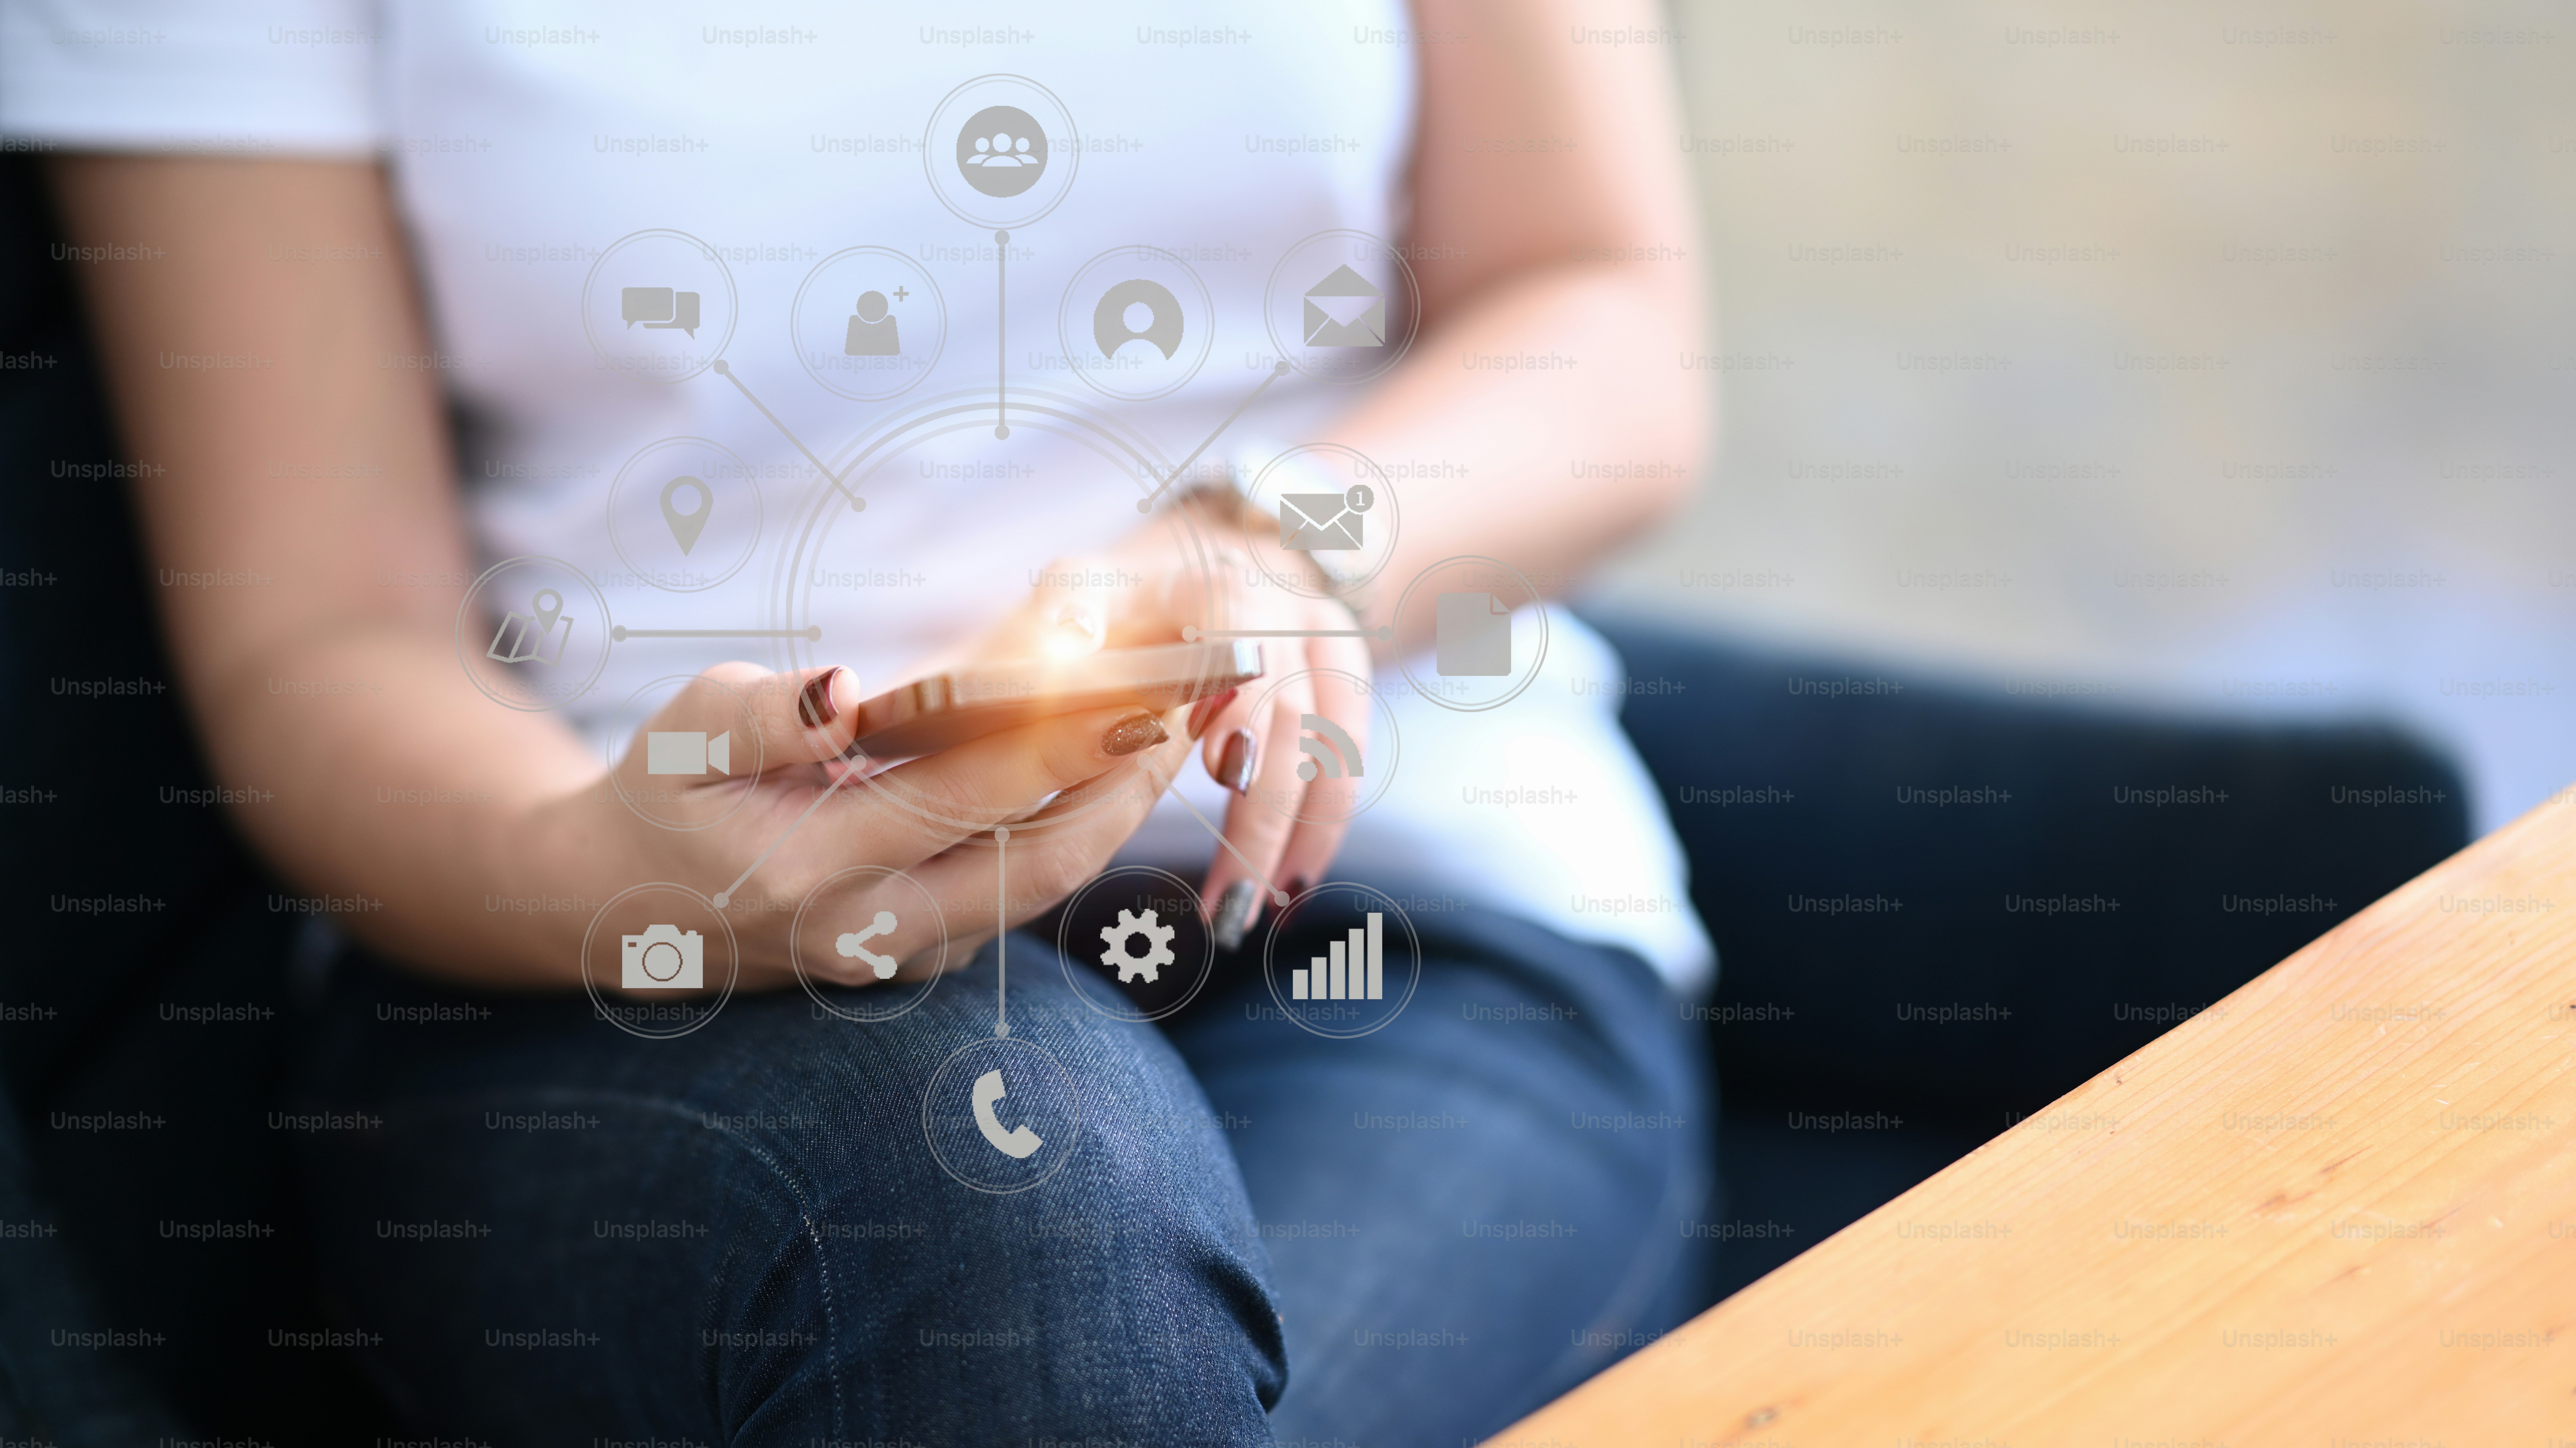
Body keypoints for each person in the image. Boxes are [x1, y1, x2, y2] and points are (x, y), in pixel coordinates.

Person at [9, 0, 1712, 1441]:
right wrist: (606, 866)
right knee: (1015, 1223)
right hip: (608, 972)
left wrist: (1279, 543)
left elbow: (1604, 315)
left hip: (1392, 920)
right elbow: (321, 630)